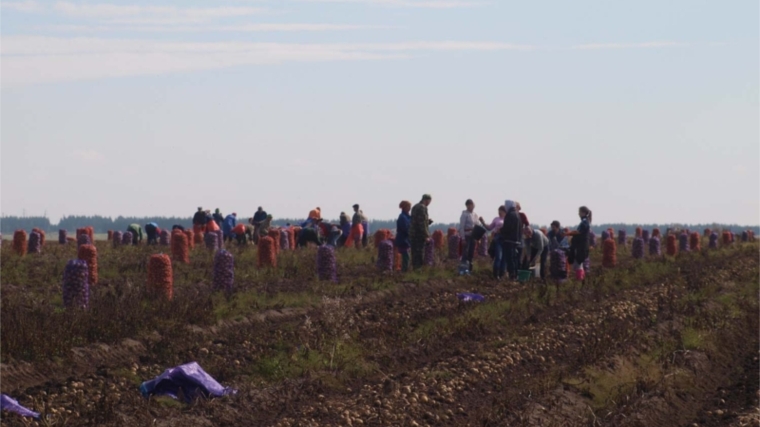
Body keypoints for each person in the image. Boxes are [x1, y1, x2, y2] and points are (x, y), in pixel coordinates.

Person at [565, 206, 592, 280]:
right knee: (579, 264)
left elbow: (578, 232)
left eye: (579, 212)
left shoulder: (584, 222)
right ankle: (581, 279)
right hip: (581, 245)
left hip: (581, 246)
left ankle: (579, 280)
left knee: (578, 263)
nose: (578, 213)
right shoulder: (585, 221)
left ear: (583, 212)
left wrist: (568, 233)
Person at [498, 200, 522, 280]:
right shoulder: (517, 214)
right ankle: (515, 274)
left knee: (510, 258)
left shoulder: (510, 215)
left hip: (509, 239)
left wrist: (501, 230)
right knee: (514, 258)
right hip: (516, 239)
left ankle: (512, 275)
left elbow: (507, 227)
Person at [480, 205, 507, 277]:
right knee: (498, 256)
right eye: (499, 211)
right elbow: (489, 228)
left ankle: (502, 273)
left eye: (501, 211)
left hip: (506, 239)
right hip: (498, 239)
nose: (500, 213)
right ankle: (496, 274)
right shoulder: (496, 219)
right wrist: (483, 222)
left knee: (504, 258)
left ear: (505, 212)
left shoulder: (507, 219)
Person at [410, 194, 433, 269]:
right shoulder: (422, 208)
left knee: (414, 253)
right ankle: (418, 270)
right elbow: (421, 223)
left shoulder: (415, 207)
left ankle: (415, 269)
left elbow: (416, 220)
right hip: (419, 235)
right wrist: (426, 235)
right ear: (427, 200)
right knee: (419, 253)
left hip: (413, 234)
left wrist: (427, 221)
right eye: (429, 201)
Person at [458, 199, 480, 271]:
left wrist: (478, 237)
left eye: (472, 205)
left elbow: (477, 225)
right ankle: (463, 269)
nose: (472, 206)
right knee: (465, 252)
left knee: (471, 252)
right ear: (467, 206)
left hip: (473, 236)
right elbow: (461, 227)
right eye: (470, 205)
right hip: (467, 235)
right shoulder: (464, 214)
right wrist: (463, 238)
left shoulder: (475, 215)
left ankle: (469, 269)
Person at [395, 201, 412, 272]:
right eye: (408, 206)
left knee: (406, 255)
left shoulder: (408, 216)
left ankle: (404, 269)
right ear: (405, 207)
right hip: (403, 239)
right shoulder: (402, 217)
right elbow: (406, 229)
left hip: (406, 239)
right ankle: (404, 270)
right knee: (406, 256)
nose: (410, 208)